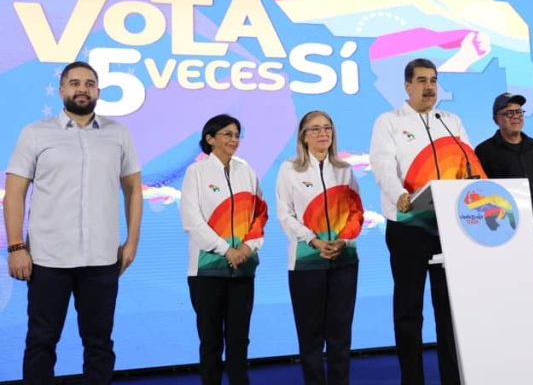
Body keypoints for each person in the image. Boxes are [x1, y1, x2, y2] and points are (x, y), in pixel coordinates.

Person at [4, 60, 143, 384]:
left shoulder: (118, 134)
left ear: (98, 91)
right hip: (48, 259)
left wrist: (132, 242)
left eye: (89, 84)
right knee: (41, 342)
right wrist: (15, 246)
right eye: (75, 83)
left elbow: (134, 190)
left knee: (99, 344)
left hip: (102, 259)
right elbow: (14, 194)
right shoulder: (35, 133)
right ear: (62, 89)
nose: (83, 89)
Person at [369, 57, 485, 385]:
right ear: (407, 86)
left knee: (450, 311)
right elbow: (382, 165)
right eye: (421, 80)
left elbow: (469, 163)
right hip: (408, 226)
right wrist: (398, 194)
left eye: (433, 80)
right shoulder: (389, 121)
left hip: (448, 228)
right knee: (409, 310)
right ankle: (412, 379)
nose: (429, 86)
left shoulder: (450, 121)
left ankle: (453, 378)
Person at [474, 93, 533, 385]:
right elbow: (477, 195)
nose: (515, 116)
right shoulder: (484, 151)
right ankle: (506, 368)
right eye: (508, 112)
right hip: (502, 239)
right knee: (505, 303)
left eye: (519, 112)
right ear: (496, 119)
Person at [276, 110, 364, 385]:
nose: (322, 133)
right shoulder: (290, 169)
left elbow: (356, 212)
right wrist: (312, 240)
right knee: (310, 337)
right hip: (306, 262)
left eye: (327, 127)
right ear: (303, 136)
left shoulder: (344, 169)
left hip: (344, 261)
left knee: (340, 336)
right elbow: (285, 214)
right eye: (315, 129)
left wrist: (343, 240)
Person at [180, 114, 268, 385]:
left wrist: (247, 247)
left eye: (237, 135)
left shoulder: (246, 171)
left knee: (239, 340)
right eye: (227, 134)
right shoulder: (196, 172)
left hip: (243, 269)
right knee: (211, 341)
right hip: (207, 271)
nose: (234, 139)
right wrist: (225, 250)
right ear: (210, 139)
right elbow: (191, 220)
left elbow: (259, 214)